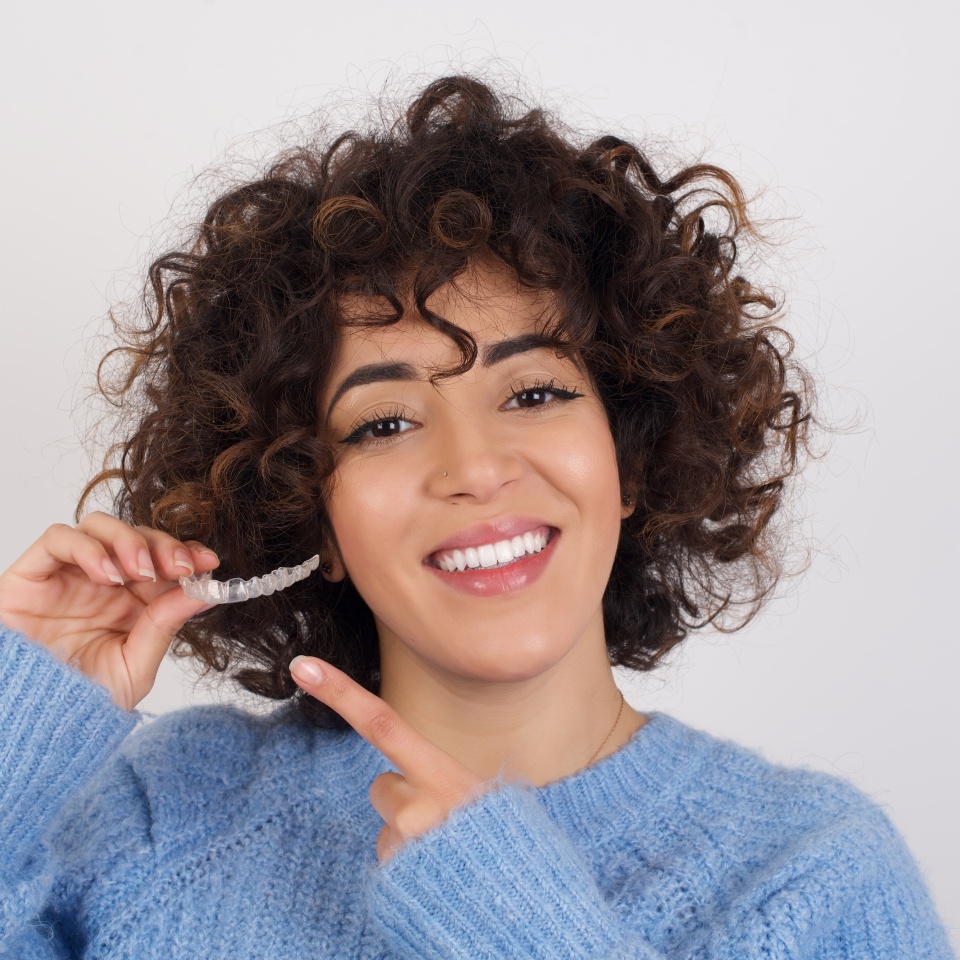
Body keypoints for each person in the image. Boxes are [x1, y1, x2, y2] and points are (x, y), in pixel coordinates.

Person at [0, 74, 953, 959]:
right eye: (382, 422)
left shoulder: (815, 876)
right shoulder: (170, 807)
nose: (474, 468)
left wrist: (518, 924)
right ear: (312, 516)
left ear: (629, 458)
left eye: (534, 394)